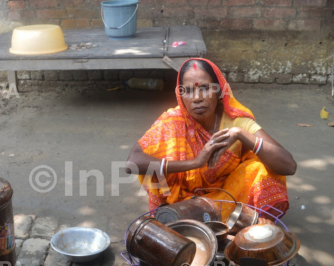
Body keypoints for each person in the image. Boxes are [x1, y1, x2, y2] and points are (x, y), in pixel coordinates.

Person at [125, 58, 297, 220]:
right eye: (189, 90)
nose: (197, 98)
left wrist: (241, 134)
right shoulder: (172, 121)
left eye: (205, 88)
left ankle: (240, 224)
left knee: (262, 167)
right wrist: (195, 163)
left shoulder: (236, 122)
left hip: (227, 197)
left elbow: (288, 165)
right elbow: (132, 163)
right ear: (181, 96)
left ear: (220, 90)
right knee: (154, 167)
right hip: (180, 204)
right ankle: (189, 220)